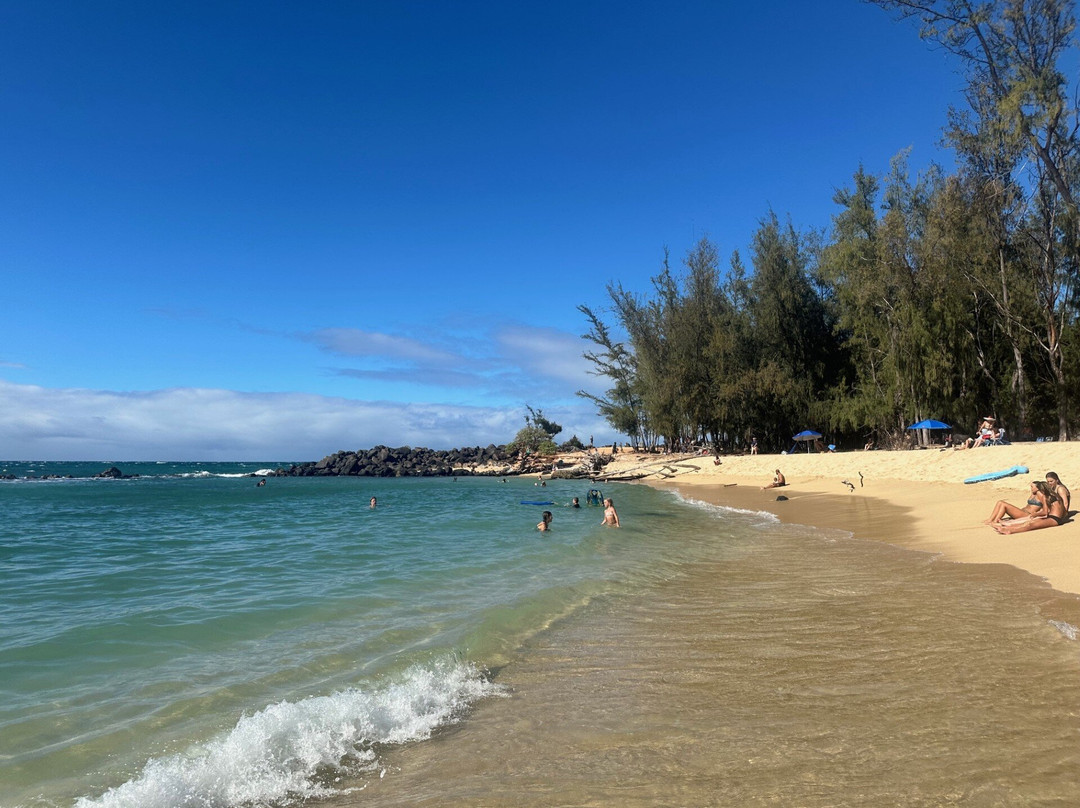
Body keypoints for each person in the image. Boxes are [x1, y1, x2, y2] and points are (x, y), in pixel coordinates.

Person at [991, 483, 1067, 533]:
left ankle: (1009, 530)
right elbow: (1060, 509)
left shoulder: (1046, 497)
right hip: (1055, 518)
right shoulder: (1055, 496)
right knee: (1029, 523)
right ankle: (1007, 526)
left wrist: (1036, 514)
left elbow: (1045, 512)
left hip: (1054, 519)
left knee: (1030, 525)